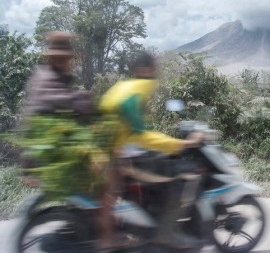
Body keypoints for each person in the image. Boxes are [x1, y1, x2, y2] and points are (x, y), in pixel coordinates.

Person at [21, 31, 127, 251]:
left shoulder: (52, 75)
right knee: (111, 175)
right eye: (61, 57)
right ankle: (107, 236)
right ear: (51, 57)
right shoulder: (47, 79)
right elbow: (48, 108)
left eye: (66, 58)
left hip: (61, 148)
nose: (65, 61)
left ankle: (85, 220)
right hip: (61, 152)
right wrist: (83, 101)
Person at [99, 50, 203, 249]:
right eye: (155, 67)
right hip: (127, 156)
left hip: (114, 152)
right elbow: (140, 133)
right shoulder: (140, 88)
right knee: (183, 174)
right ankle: (166, 234)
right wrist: (180, 144)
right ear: (145, 70)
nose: (158, 72)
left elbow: (134, 125)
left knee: (163, 161)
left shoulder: (123, 86)